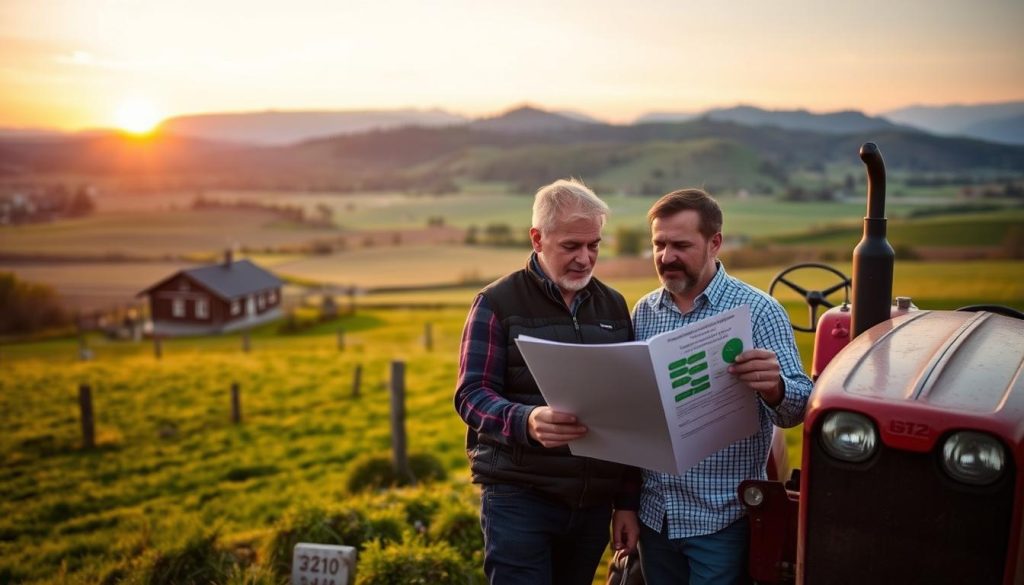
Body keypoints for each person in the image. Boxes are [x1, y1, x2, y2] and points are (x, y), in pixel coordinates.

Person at [619, 188, 812, 585]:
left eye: (681, 245)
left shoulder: (759, 311)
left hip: (721, 518)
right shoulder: (644, 313)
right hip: (657, 516)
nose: (666, 256)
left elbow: (798, 409)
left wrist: (774, 387)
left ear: (715, 243)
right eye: (659, 244)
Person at [454, 178, 640, 585]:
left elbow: (629, 412)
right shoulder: (497, 302)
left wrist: (625, 502)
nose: (585, 258)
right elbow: (470, 395)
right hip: (520, 497)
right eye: (571, 246)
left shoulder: (613, 305)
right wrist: (526, 420)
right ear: (537, 239)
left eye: (594, 245)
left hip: (592, 504)